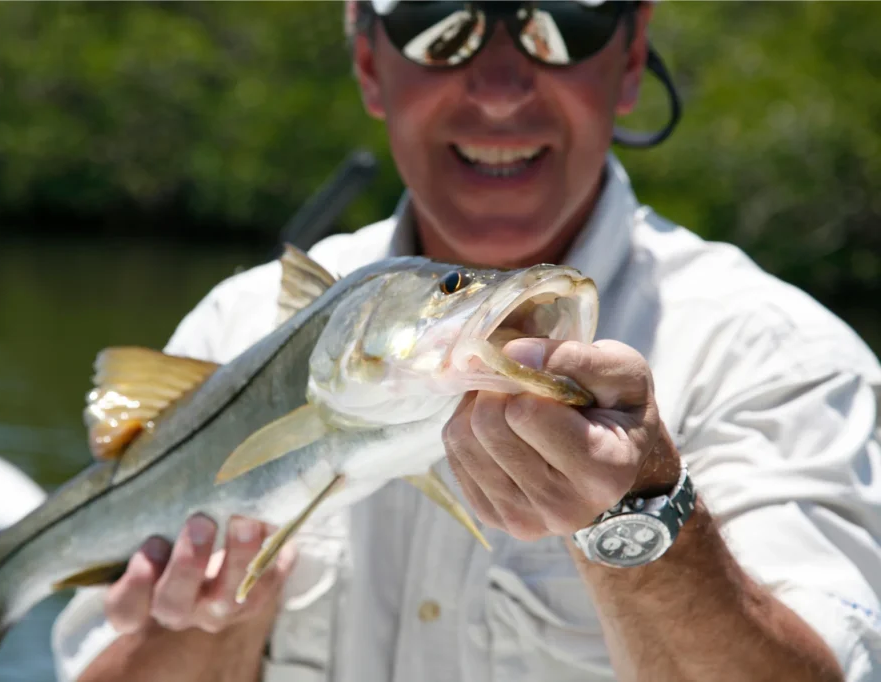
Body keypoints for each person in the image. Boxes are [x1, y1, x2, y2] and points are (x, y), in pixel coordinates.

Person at [52, 1, 881, 680]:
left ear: (631, 60)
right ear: (371, 65)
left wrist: (645, 528)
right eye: (436, 23)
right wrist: (212, 625)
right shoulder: (236, 327)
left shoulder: (782, 356)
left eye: (561, 22)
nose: (497, 87)